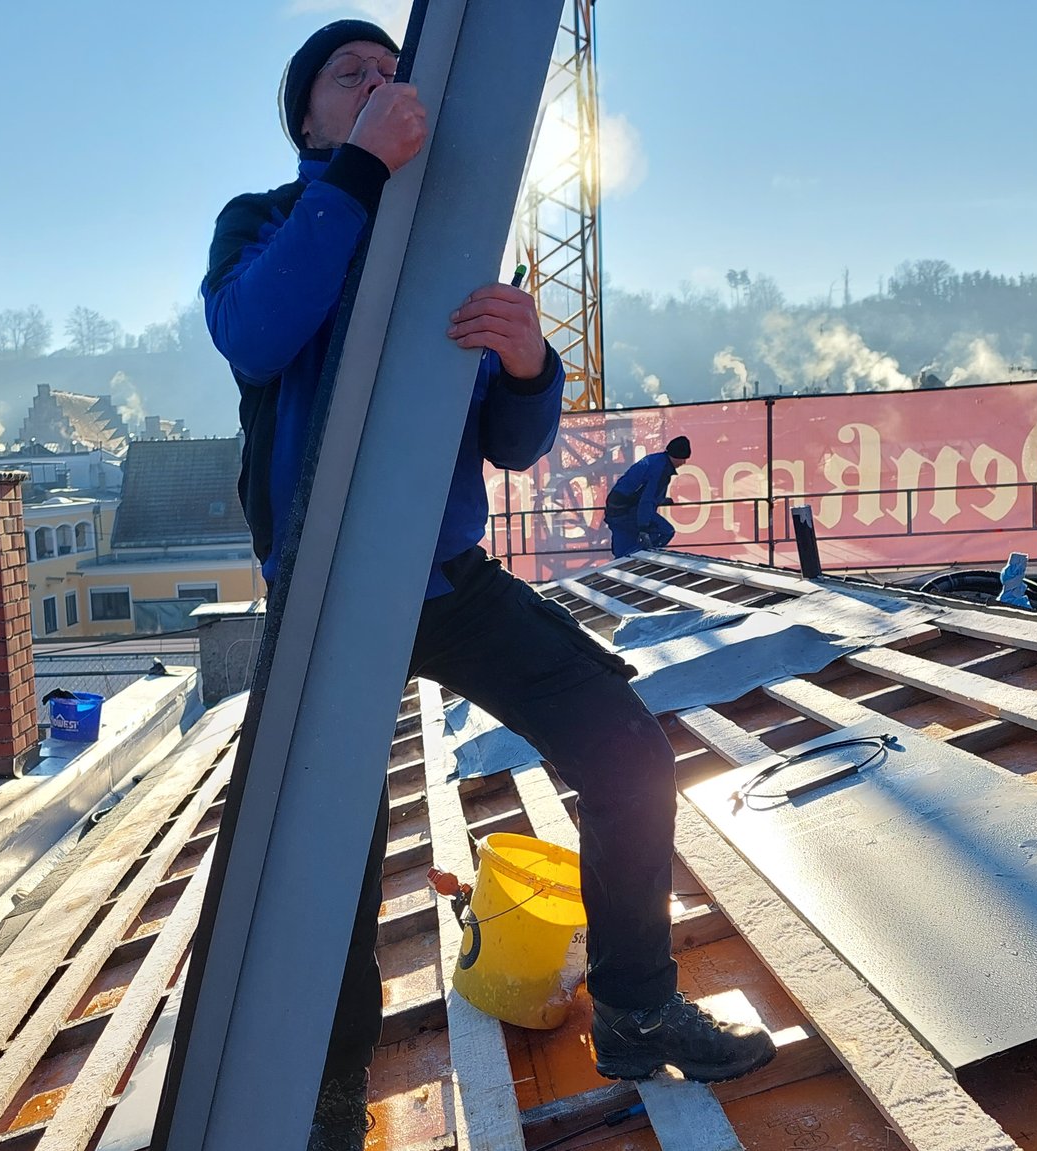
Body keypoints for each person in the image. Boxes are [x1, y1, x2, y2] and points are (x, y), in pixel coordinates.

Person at [204, 21, 773, 1151]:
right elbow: (255, 333)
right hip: (323, 596)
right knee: (329, 861)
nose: (378, 80)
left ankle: (633, 1006)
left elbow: (511, 445)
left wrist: (528, 361)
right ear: (306, 116)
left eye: (390, 69)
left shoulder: (457, 234)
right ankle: (320, 1106)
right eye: (347, 75)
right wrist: (360, 169)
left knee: (626, 752)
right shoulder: (268, 221)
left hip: (445, 580)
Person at [605, 436, 692, 556]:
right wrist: (643, 529)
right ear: (677, 456)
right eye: (683, 459)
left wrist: (659, 500)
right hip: (627, 510)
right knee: (666, 531)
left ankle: (628, 558)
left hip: (615, 506)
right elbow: (647, 500)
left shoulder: (656, 460)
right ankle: (642, 556)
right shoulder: (661, 470)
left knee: (622, 550)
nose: (684, 462)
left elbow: (642, 490)